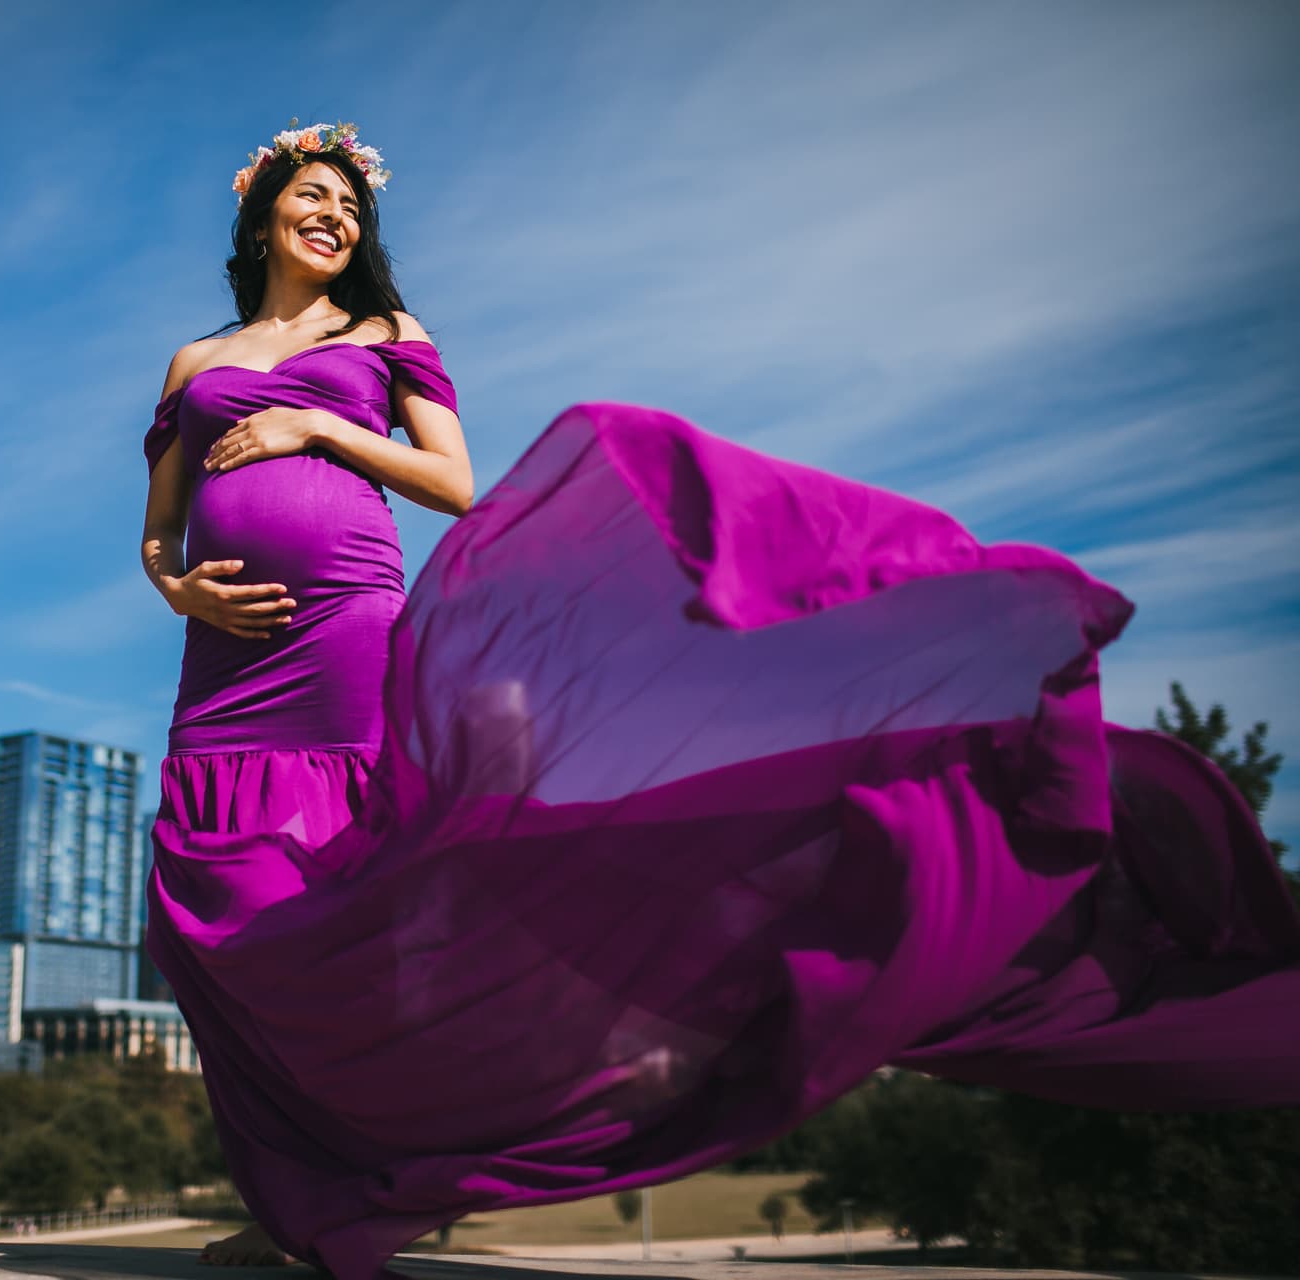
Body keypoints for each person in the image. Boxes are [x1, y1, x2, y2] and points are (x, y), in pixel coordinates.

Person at [138, 121, 1300, 1280]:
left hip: (347, 642)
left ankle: (333, 1200)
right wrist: (182, 583)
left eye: (352, 201)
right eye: (316, 194)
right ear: (264, 214)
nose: (336, 213)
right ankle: (295, 1190)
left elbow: (454, 482)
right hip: (226, 673)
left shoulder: (386, 335)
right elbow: (158, 530)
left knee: (330, 924)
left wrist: (319, 423)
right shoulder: (195, 363)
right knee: (215, 930)